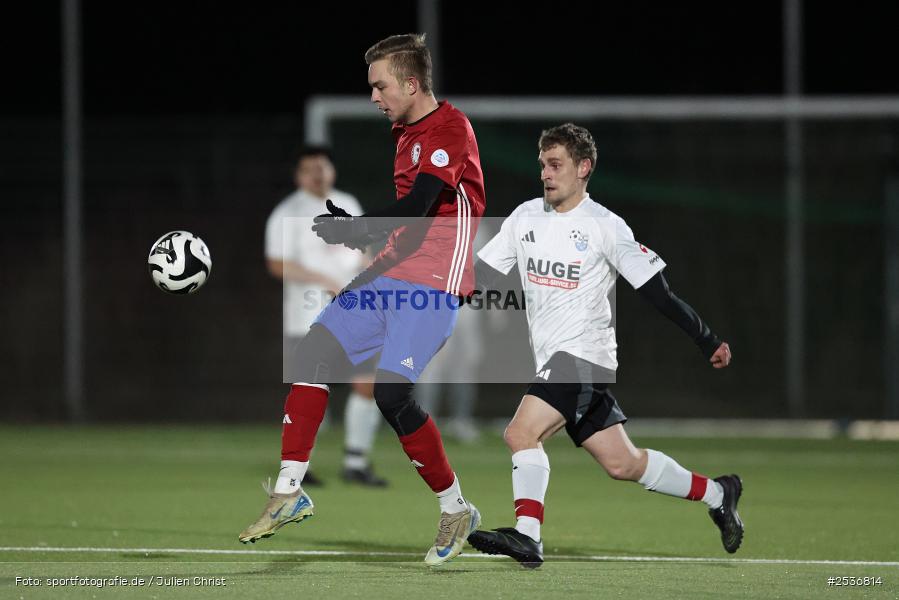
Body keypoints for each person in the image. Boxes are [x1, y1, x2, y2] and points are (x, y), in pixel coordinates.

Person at [240, 33, 487, 566]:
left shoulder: (450, 128)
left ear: (412, 84)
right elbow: (406, 222)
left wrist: (358, 226)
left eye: (380, 86)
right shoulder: (404, 134)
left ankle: (455, 508)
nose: (374, 97)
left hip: (434, 282)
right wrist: (362, 244)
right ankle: (289, 490)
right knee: (311, 354)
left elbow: (421, 205)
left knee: (391, 395)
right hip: (389, 275)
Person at [467, 123, 742, 568]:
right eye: (542, 165)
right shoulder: (525, 217)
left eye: (555, 165)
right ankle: (719, 493)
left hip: (583, 357)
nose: (545, 174)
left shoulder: (605, 226)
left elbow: (658, 293)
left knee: (521, 433)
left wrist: (705, 338)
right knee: (623, 463)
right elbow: (479, 278)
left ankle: (528, 536)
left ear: (584, 167)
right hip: (558, 361)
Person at [265, 146, 387, 487]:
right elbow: (277, 264)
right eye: (309, 169)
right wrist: (323, 280)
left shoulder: (347, 203)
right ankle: (299, 467)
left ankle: (355, 463)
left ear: (332, 170)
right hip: (306, 315)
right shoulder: (287, 212)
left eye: (322, 167)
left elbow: (364, 251)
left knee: (367, 382)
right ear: (298, 176)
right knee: (310, 388)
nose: (317, 174)